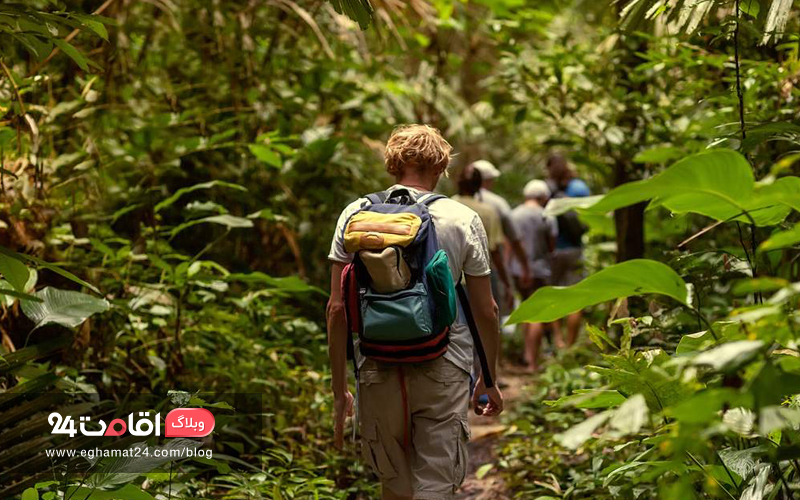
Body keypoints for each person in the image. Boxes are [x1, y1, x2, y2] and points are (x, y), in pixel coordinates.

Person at [326, 124, 503, 500]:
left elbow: (337, 309)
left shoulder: (355, 214)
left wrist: (340, 388)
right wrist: (488, 377)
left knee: (394, 484)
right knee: (434, 486)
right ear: (440, 167)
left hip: (376, 365)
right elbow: (486, 310)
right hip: (443, 364)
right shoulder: (461, 218)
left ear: (392, 165)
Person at [469, 160, 531, 316]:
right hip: (491, 268)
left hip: (459, 271)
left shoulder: (455, 200)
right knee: (491, 314)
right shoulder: (497, 203)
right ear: (487, 180)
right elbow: (514, 238)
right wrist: (524, 266)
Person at [509, 180, 557, 372]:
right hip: (539, 269)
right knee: (536, 314)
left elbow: (509, 244)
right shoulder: (547, 216)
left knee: (524, 310)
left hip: (517, 270)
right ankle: (533, 362)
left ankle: (527, 355)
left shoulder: (514, 214)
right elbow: (552, 246)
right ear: (543, 197)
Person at [452, 165, 513, 313]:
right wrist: (506, 283)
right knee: (486, 325)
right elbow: (494, 251)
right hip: (481, 279)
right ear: (479, 185)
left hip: (451, 278)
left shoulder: (446, 205)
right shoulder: (488, 212)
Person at [545, 153, 591, 347]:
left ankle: (558, 341)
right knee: (575, 298)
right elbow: (589, 217)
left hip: (554, 250)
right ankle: (571, 346)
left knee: (552, 295)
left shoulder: (546, 188)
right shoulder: (579, 188)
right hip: (575, 249)